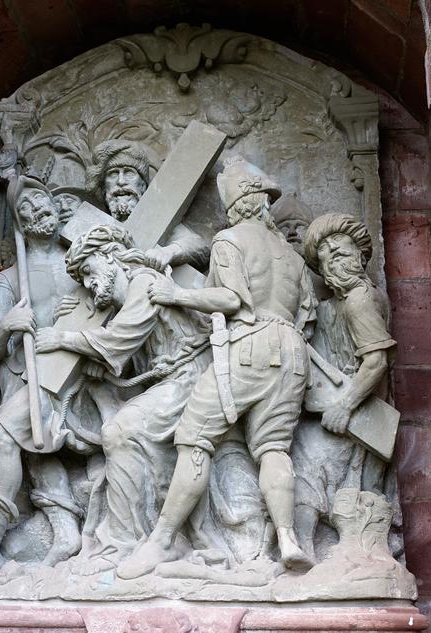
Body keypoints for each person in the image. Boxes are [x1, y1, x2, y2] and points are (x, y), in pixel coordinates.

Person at [116, 156, 317, 580]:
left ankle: (161, 541)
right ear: (264, 204)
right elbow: (306, 317)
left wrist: (174, 295)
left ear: (237, 205)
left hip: (247, 346)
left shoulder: (229, 240)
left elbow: (231, 300)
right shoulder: (294, 258)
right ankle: (288, 539)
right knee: (273, 449)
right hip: (293, 352)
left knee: (194, 439)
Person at [0, 175, 116, 578]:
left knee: (10, 436)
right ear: (20, 225)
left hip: (89, 377)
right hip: (39, 379)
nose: (36, 212)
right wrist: (9, 324)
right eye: (25, 211)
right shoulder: (10, 280)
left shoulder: (83, 261)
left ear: (56, 209)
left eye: (41, 203)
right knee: (7, 437)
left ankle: (22, 543)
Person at [34, 224, 216, 570]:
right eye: (82, 278)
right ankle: (141, 537)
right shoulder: (127, 298)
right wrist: (106, 370)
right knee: (121, 427)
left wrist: (63, 339)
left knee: (121, 430)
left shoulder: (143, 282)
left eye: (89, 271)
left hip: (193, 379)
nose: (89, 284)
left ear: (110, 257)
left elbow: (119, 340)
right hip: (174, 380)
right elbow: (130, 355)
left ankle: (122, 544)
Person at [292, 213, 398, 555]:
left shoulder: (360, 301)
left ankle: (308, 549)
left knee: (300, 459)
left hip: (359, 418)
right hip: (345, 411)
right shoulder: (336, 305)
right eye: (325, 255)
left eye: (341, 250)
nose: (333, 258)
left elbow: (376, 362)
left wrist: (344, 405)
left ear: (360, 254)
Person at [86, 139, 209, 270]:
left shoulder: (154, 222)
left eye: (129, 173)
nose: (121, 181)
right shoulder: (95, 227)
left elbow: (201, 247)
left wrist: (168, 252)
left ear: (143, 186)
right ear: (104, 188)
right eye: (113, 174)